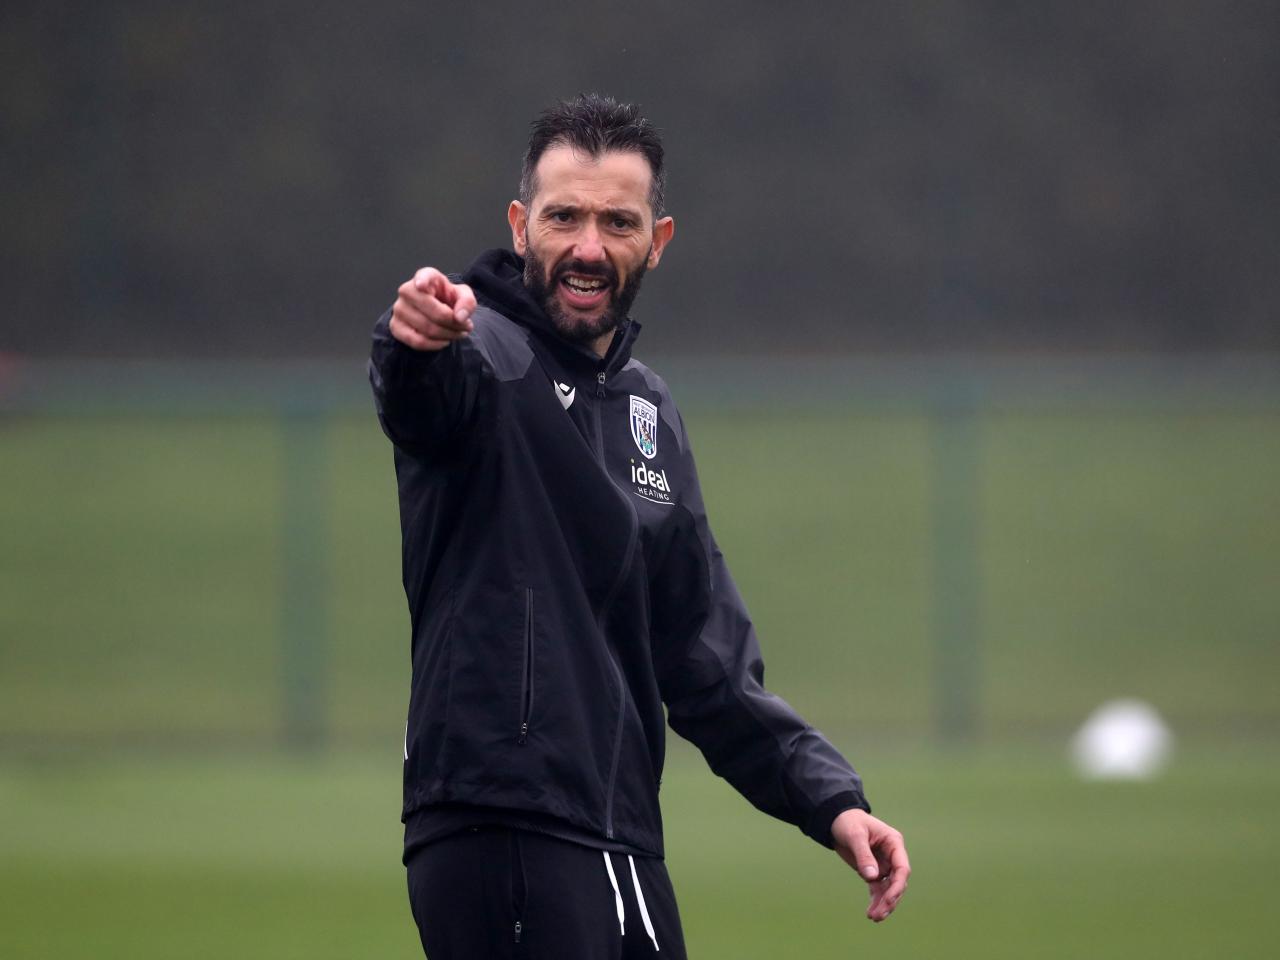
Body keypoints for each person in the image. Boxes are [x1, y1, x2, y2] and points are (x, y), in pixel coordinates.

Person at [369, 94, 910, 959]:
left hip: (621, 838)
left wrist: (830, 799)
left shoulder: (646, 406)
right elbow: (422, 400)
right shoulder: (482, 354)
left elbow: (700, 653)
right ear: (521, 225)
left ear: (656, 241)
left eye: (617, 221)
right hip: (500, 826)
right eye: (564, 217)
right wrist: (415, 342)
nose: (588, 246)